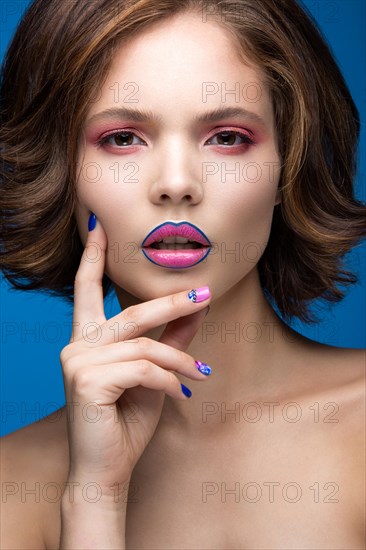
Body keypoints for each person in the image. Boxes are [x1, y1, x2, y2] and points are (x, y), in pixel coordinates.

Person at [1, 0, 365, 548]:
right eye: (122, 137)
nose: (177, 183)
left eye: (226, 137)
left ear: (289, 165)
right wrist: (94, 498)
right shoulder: (13, 485)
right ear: (60, 171)